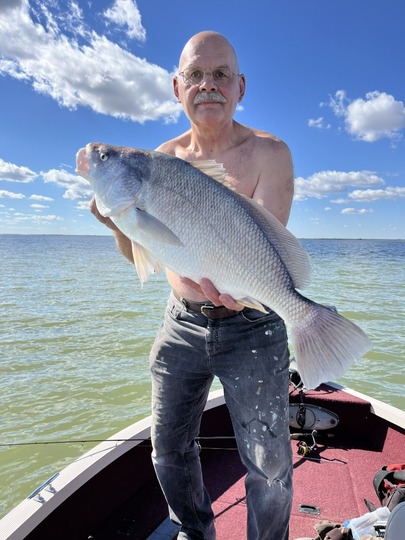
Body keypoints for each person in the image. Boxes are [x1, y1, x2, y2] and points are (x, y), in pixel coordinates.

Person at [91, 31, 294, 540]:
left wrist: (253, 296)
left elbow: (259, 246)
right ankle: (194, 530)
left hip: (254, 322)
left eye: (221, 74)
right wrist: (119, 222)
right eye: (196, 76)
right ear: (176, 87)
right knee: (167, 446)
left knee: (269, 463)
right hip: (181, 323)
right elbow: (144, 254)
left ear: (240, 86)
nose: (208, 85)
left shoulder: (272, 153)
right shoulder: (159, 159)